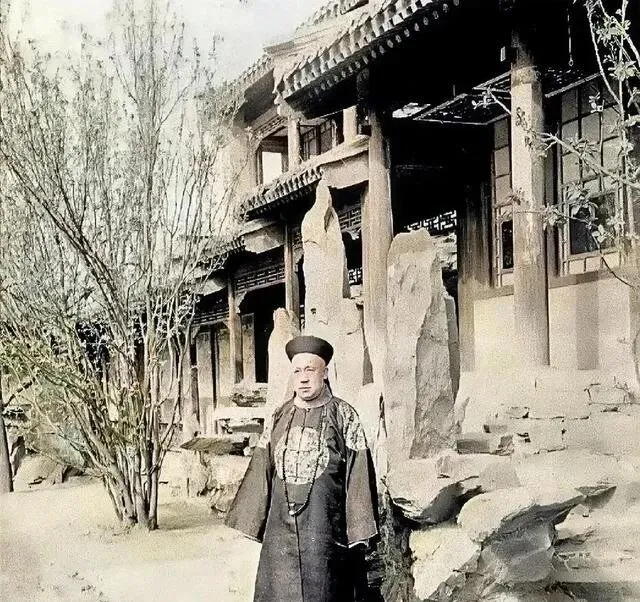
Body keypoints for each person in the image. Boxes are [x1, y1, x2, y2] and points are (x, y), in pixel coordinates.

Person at [225, 335, 379, 602]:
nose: (303, 378)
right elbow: (262, 468)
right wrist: (253, 519)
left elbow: (358, 475)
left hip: (326, 531)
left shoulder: (344, 416)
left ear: (325, 373)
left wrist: (359, 529)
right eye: (297, 371)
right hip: (280, 531)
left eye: (310, 370)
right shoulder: (279, 415)